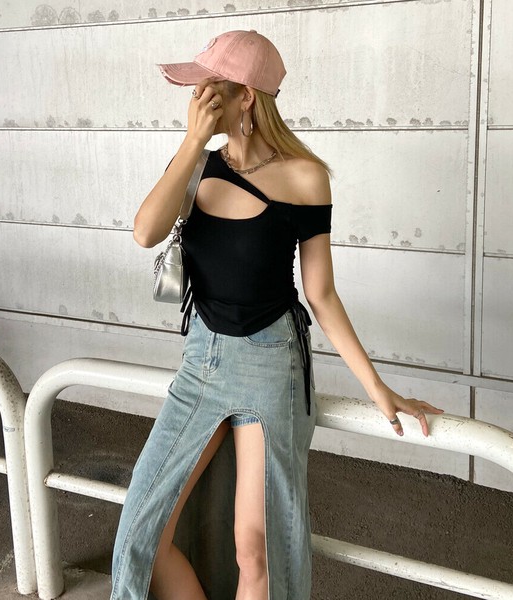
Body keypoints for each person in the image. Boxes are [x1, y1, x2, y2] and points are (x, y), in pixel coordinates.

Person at [110, 29, 445, 600]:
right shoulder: (196, 165)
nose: (195, 98)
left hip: (272, 363)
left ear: (245, 96)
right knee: (141, 530)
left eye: (207, 87)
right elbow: (145, 233)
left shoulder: (305, 177)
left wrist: (377, 387)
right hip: (201, 360)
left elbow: (322, 294)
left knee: (257, 547)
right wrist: (192, 143)